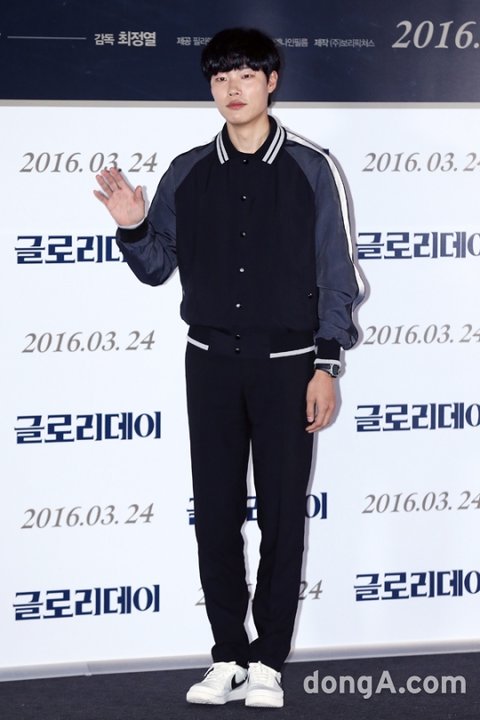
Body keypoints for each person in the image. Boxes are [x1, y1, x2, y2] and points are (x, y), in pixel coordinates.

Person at [94, 27, 362, 709]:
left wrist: (327, 364)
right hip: (209, 364)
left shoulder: (312, 168)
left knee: (282, 516)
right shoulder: (187, 171)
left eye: (245, 75)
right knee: (214, 515)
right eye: (220, 77)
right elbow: (156, 267)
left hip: (289, 367)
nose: (232, 89)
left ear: (271, 81)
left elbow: (337, 272)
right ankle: (228, 656)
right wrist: (132, 226)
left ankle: (268, 661)